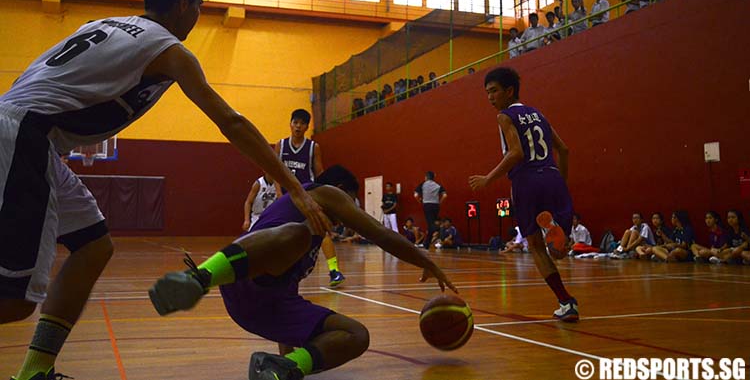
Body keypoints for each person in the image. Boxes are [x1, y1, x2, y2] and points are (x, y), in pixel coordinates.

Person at [0, 0, 327, 380]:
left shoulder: (102, 26)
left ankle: (34, 371)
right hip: (25, 137)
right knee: (16, 299)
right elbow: (231, 122)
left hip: (27, 132)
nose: (197, 17)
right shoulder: (169, 50)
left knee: (95, 245)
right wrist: (294, 186)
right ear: (182, 4)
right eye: (198, 7)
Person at [149, 165, 457, 380]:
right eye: (352, 200)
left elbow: (287, 293)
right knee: (296, 234)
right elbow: (379, 233)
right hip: (242, 274)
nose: (348, 216)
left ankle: (283, 369)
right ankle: (199, 278)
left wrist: (291, 349)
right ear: (340, 191)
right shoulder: (324, 194)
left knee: (357, 335)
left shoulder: (314, 235)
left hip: (265, 305)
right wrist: (424, 260)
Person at [469, 67, 578, 322]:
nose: (490, 98)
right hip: (552, 176)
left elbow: (516, 153)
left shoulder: (505, 116)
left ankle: (566, 302)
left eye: (494, 91)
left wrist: (488, 178)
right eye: (487, 93)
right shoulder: (539, 115)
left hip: (526, 181)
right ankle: (554, 227)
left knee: (537, 248)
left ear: (509, 91)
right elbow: (564, 150)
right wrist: (559, 182)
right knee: (558, 252)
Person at [275, 109, 345, 287]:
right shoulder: (281, 145)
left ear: (306, 127)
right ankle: (281, 272)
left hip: (308, 197)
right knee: (282, 235)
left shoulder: (314, 147)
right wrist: (278, 193)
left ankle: (334, 271)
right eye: (295, 122)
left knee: (321, 230)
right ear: (290, 124)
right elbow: (274, 171)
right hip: (286, 198)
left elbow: (320, 173)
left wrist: (324, 196)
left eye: (302, 123)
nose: (298, 126)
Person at [414, 171, 447, 247]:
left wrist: (419, 201)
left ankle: (441, 228)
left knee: (431, 225)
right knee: (431, 225)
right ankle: (426, 244)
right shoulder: (437, 185)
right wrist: (439, 202)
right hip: (436, 205)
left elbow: (415, 195)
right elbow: (445, 195)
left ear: (426, 177)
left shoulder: (423, 184)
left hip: (427, 205)